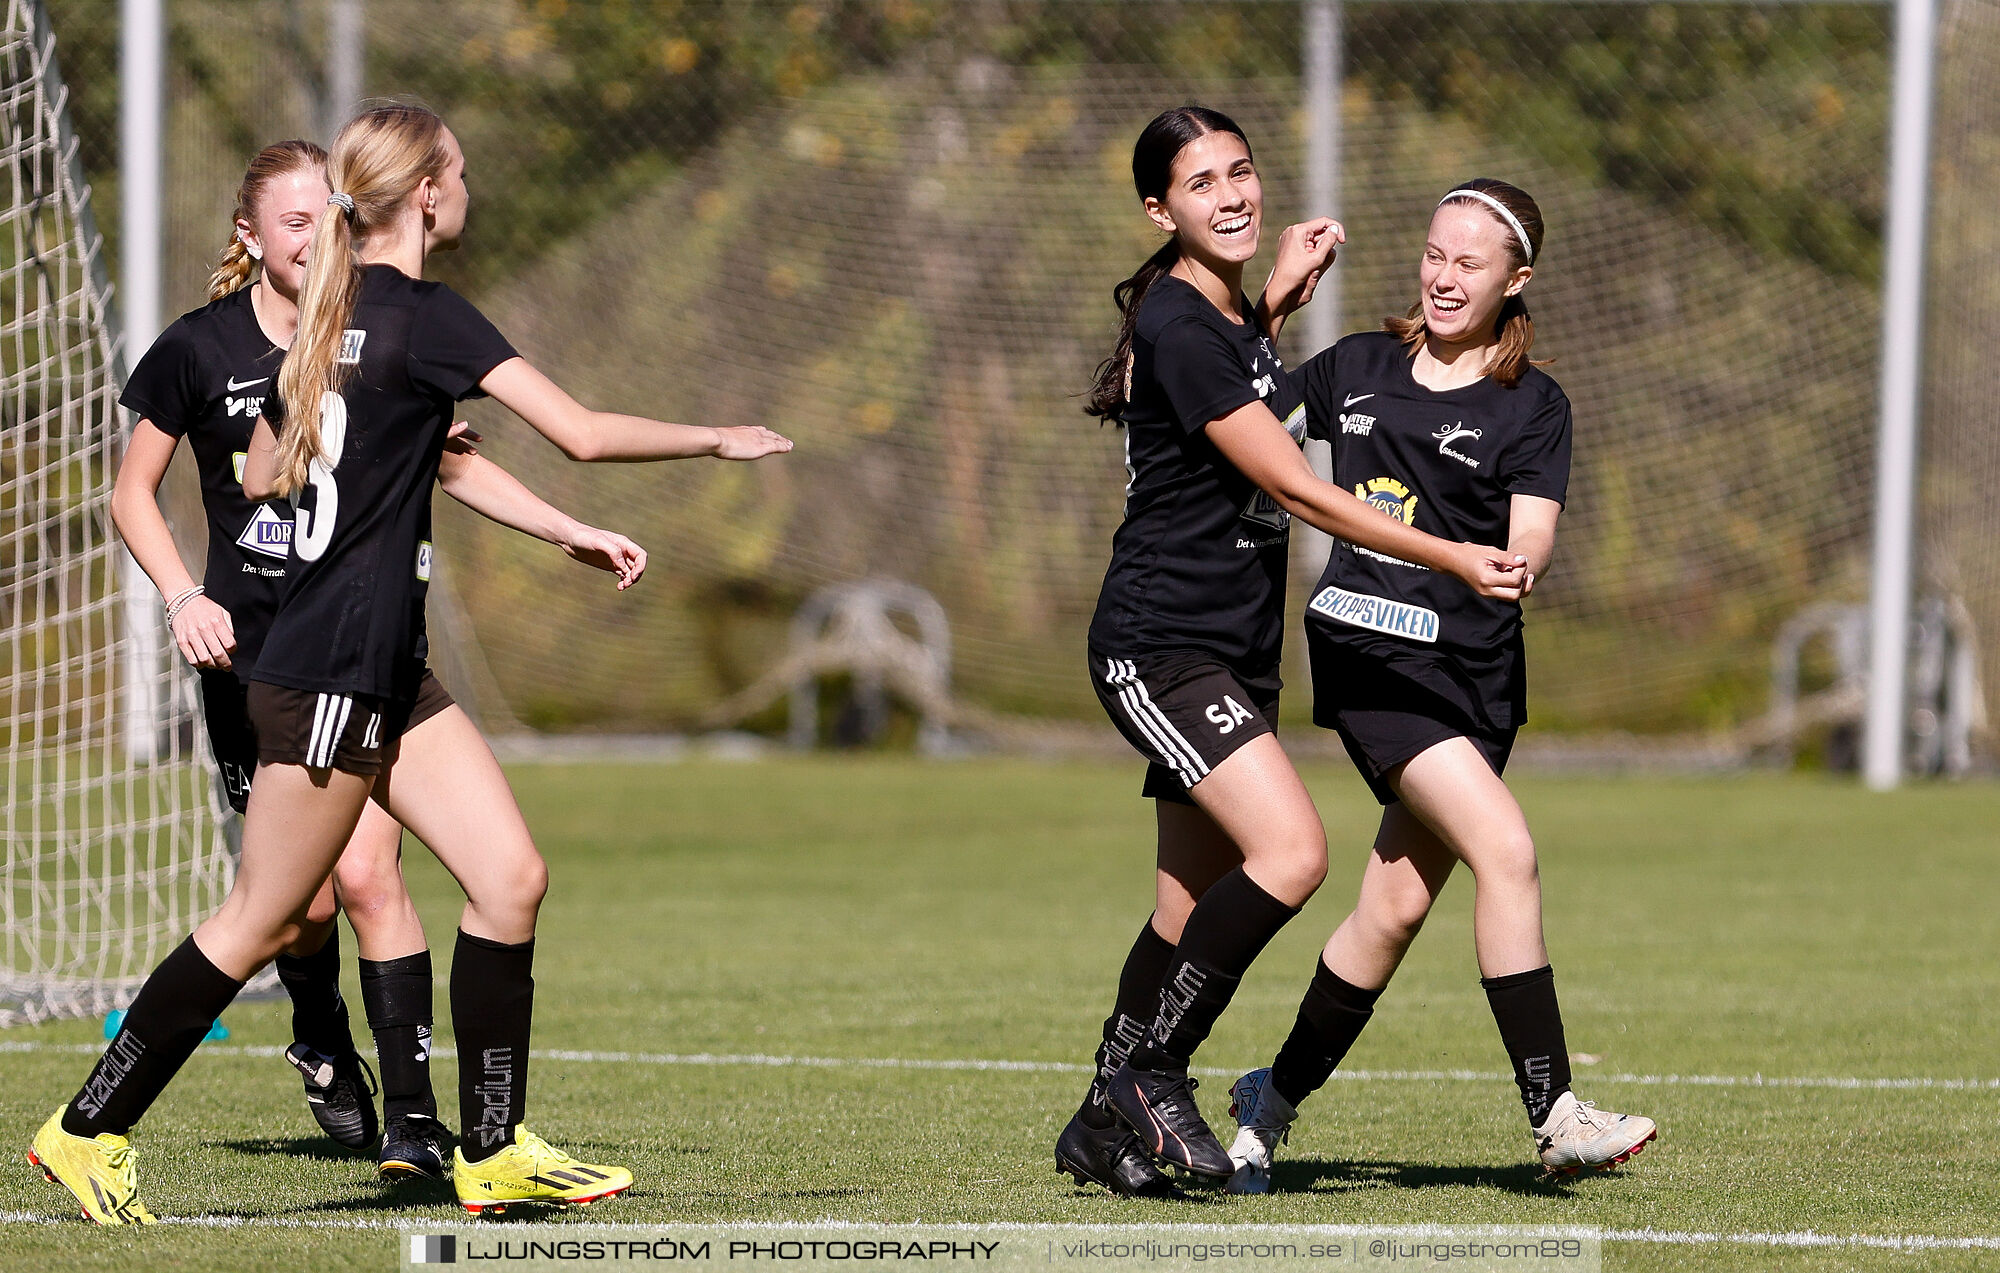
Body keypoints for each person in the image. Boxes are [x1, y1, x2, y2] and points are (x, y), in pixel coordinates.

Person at [31, 101, 790, 1225]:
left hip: (381, 667)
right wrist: (716, 438)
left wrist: (557, 529)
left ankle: (492, 1148)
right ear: (427, 194)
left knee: (510, 877)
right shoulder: (416, 315)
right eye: (462, 170)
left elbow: (318, 465)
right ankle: (85, 1129)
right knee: (258, 921)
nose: (468, 186)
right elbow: (575, 428)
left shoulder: (324, 316)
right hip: (333, 673)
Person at [105, 139, 649, 1182]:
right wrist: (183, 595)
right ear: (250, 236)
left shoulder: (365, 333)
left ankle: (418, 1127)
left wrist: (567, 530)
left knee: (367, 872)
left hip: (350, 658)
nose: (317, 236)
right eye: (294, 221)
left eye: (330, 215)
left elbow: (449, 463)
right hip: (250, 658)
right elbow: (134, 491)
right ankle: (314, 1036)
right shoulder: (200, 348)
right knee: (293, 907)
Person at [1057, 107, 1529, 1198]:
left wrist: (1270, 297)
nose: (1229, 195)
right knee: (1293, 854)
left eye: (1241, 171)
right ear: (1158, 210)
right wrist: (1449, 554)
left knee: (1184, 908)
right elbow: (1292, 484)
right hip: (1159, 645)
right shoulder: (1179, 325)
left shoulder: (1222, 316)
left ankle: (1098, 1118)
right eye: (1199, 184)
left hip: (1228, 647)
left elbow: (1238, 375)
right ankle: (1149, 1076)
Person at [1223, 179, 1656, 1194]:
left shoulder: (1534, 403)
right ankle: (1555, 1113)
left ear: (1515, 281)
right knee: (1506, 847)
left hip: (1476, 678)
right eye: (1432, 254)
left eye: (1468, 261)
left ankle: (1267, 1102)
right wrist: (1272, 306)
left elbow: (1531, 534)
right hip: (1372, 660)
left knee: (1390, 909)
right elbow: (1242, 416)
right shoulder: (1357, 367)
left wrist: (1514, 560)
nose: (1443, 275)